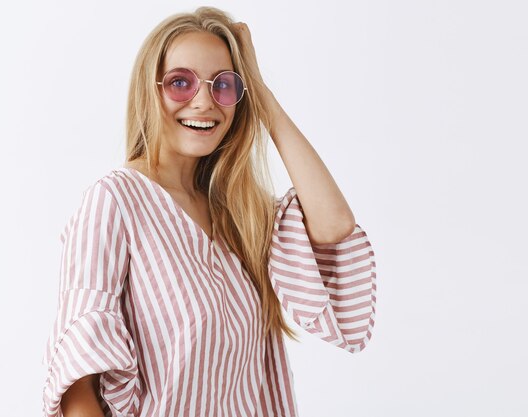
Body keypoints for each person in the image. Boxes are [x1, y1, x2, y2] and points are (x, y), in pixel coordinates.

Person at [42, 6, 377, 417]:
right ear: (150, 90)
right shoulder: (115, 201)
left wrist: (262, 96)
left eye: (224, 85)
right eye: (180, 83)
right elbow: (80, 384)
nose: (204, 102)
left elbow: (334, 224)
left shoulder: (240, 213)